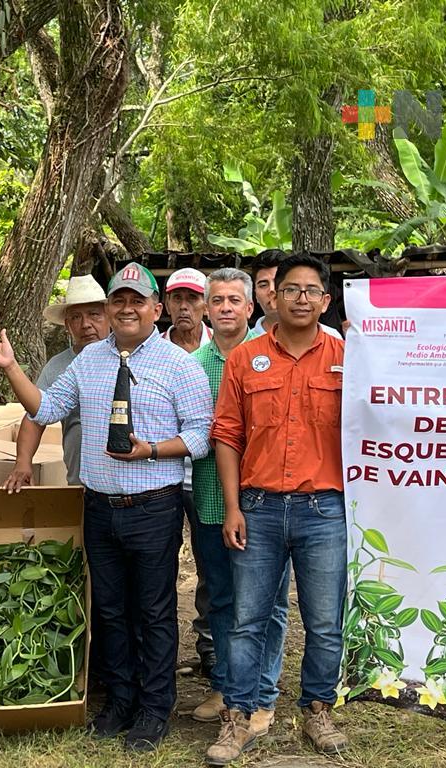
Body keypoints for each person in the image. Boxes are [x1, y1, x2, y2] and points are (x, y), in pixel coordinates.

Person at [0, 261, 214, 752]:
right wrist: (10, 368)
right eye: (119, 300)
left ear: (155, 308)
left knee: (152, 610)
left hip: (153, 505)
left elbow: (200, 435)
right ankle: (121, 702)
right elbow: (43, 410)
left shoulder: (180, 365)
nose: (127, 308)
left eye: (136, 300)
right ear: (111, 308)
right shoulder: (88, 361)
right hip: (100, 505)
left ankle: (154, 709)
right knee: (109, 609)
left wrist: (150, 449)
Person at [206, 254, 347, 765]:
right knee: (248, 620)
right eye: (292, 289)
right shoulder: (245, 359)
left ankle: (317, 708)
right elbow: (226, 434)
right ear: (274, 297)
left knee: (325, 621)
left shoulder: (347, 356)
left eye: (312, 290)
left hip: (324, 508)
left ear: (325, 301)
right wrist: (233, 507)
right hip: (259, 508)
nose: (302, 298)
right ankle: (238, 717)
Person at [182, 269, 289, 737]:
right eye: (217, 300)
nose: (225, 307)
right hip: (208, 498)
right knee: (221, 597)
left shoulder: (271, 358)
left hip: (266, 500)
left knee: (268, 602)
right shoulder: (189, 364)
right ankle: (227, 687)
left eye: (234, 300)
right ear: (207, 309)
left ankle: (263, 694)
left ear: (251, 308)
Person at [4, 274, 108, 491]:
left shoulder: (128, 357)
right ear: (68, 326)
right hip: (80, 480)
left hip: (130, 483)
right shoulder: (58, 365)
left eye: (94, 315)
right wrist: (23, 462)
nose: (86, 324)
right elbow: (36, 416)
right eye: (76, 318)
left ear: (109, 317)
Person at [161, 267, 215, 679]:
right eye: (177, 298)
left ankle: (209, 647)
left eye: (193, 299)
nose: (185, 307)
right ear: (164, 304)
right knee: (158, 566)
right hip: (159, 477)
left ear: (206, 304)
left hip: (207, 479)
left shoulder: (223, 351)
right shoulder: (150, 350)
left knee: (210, 565)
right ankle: (161, 654)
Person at [251, 249, 342, 339]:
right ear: (255, 295)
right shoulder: (244, 345)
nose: (272, 290)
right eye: (263, 285)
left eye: (277, 282)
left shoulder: (332, 338)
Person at [163, 267, 212, 353]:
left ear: (206, 306)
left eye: (192, 298)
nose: (183, 306)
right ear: (167, 305)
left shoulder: (222, 343)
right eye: (177, 298)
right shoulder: (151, 348)